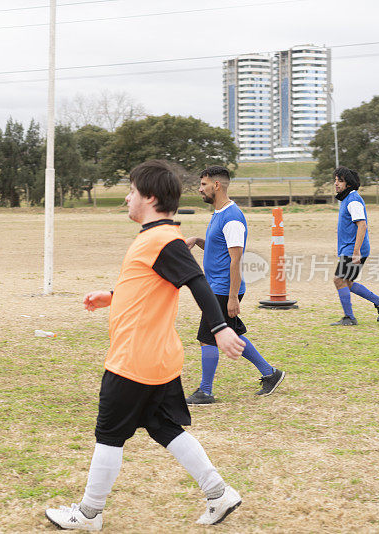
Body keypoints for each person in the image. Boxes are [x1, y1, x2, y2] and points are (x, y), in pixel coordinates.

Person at [44, 160, 247, 531]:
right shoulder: (155, 237)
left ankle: (89, 514)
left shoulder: (163, 239)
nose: (126, 197)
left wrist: (220, 328)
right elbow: (145, 285)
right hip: (156, 359)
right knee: (165, 427)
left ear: (150, 198)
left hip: (134, 361)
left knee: (109, 433)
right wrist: (110, 295)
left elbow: (197, 281)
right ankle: (219, 493)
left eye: (132, 191)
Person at [183, 165, 285, 406]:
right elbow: (219, 249)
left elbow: (236, 259)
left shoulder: (232, 218)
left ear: (216, 185)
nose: (200, 189)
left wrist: (232, 298)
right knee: (230, 332)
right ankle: (270, 373)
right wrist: (198, 241)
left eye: (203, 185)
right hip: (218, 286)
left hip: (224, 288)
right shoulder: (219, 214)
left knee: (208, 338)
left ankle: (205, 392)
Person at [331, 166, 379, 326]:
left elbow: (362, 225)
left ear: (348, 184)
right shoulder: (347, 199)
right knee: (347, 282)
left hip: (354, 249)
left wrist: (356, 252)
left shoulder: (353, 200)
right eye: (335, 180)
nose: (336, 184)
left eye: (340, 181)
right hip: (350, 248)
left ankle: (349, 318)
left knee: (339, 280)